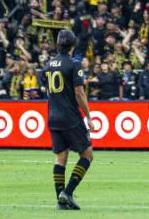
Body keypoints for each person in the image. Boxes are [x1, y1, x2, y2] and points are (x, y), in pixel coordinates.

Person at [43, 29, 93, 211]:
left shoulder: (48, 65)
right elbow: (79, 93)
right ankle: (68, 192)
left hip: (53, 116)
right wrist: (88, 116)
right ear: (73, 44)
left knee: (60, 158)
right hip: (70, 117)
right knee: (87, 155)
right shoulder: (74, 64)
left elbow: (48, 91)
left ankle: (60, 201)